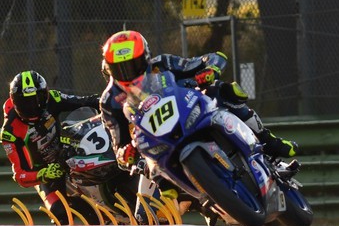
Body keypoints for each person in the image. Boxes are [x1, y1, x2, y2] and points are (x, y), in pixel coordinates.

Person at [98, 29, 299, 173]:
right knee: (145, 204)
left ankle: (267, 140)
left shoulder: (163, 63)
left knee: (222, 90)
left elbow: (213, 58)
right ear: (109, 69)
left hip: (189, 111)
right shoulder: (108, 101)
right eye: (120, 68)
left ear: (146, 57)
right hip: (157, 149)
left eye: (133, 65)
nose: (128, 73)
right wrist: (127, 154)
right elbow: (119, 148)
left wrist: (211, 70)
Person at [0, 70, 102, 225]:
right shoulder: (9, 131)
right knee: (59, 212)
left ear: (45, 95)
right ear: (14, 101)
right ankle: (86, 213)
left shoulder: (53, 98)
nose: (32, 107)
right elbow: (20, 175)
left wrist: (106, 102)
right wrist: (44, 174)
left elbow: (85, 101)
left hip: (70, 153)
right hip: (47, 172)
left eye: (37, 100)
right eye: (25, 103)